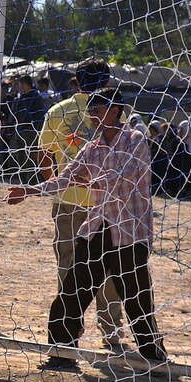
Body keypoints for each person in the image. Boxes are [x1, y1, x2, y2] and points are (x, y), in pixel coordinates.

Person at [6, 89, 165, 372]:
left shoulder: (136, 140)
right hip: (97, 229)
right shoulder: (92, 148)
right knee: (73, 289)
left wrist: (92, 182)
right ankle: (61, 352)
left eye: (98, 109)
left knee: (136, 297)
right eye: (91, 110)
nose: (92, 116)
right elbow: (65, 179)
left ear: (115, 110)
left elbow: (125, 175)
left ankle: (154, 357)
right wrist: (30, 190)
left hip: (129, 232)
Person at [38, 59, 126, 352]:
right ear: (107, 80)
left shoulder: (57, 112)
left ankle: (66, 332)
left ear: (76, 81)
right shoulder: (115, 109)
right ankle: (111, 333)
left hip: (69, 203)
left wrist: (55, 187)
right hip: (107, 205)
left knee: (68, 268)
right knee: (110, 270)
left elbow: (44, 157)